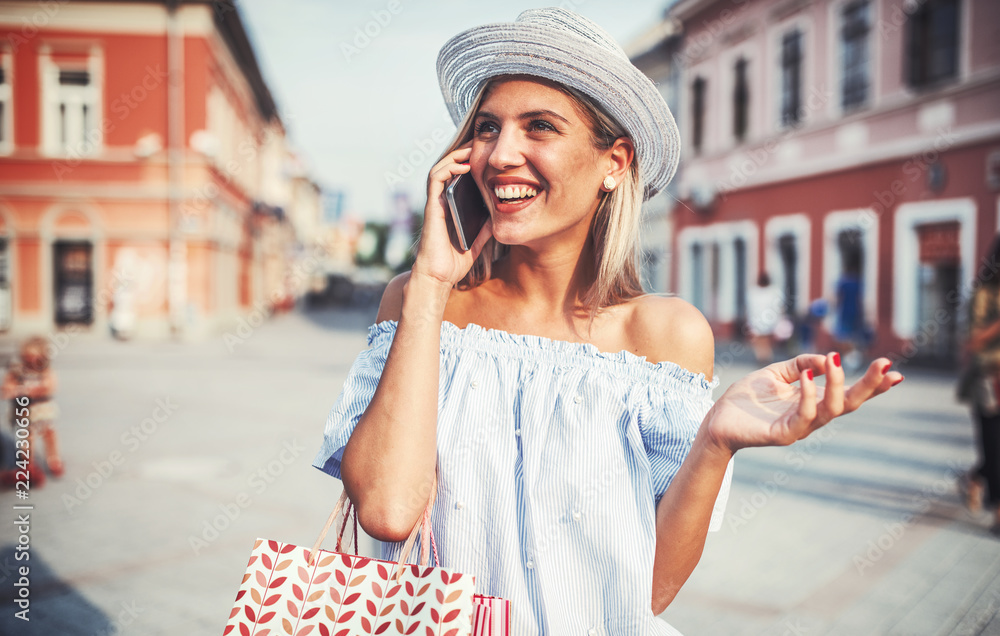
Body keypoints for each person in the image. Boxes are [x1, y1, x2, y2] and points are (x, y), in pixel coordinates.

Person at [311, 9, 903, 634]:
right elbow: (386, 510)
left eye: (540, 126)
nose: (501, 153)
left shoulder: (663, 335)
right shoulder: (420, 305)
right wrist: (430, 285)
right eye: (487, 128)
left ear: (614, 162)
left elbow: (647, 591)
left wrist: (716, 443)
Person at [959, 234, 1000, 531]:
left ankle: (974, 478)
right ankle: (998, 513)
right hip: (990, 381)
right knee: (994, 449)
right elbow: (972, 342)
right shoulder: (985, 294)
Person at [1, 335, 62, 488]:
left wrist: (31, 390)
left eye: (35, 357)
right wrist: (12, 390)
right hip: (24, 411)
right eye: (28, 357)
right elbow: (7, 388)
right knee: (27, 438)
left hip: (42, 409)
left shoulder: (45, 371)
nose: (31, 361)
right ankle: (28, 465)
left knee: (49, 433)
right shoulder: (17, 371)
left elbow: (49, 385)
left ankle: (53, 459)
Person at [745, 271, 784, 365]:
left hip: (756, 320)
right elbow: (778, 307)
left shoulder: (753, 292)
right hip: (770, 320)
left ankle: (761, 356)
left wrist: (748, 321)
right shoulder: (774, 292)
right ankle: (766, 355)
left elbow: (749, 308)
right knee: (766, 339)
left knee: (758, 340)